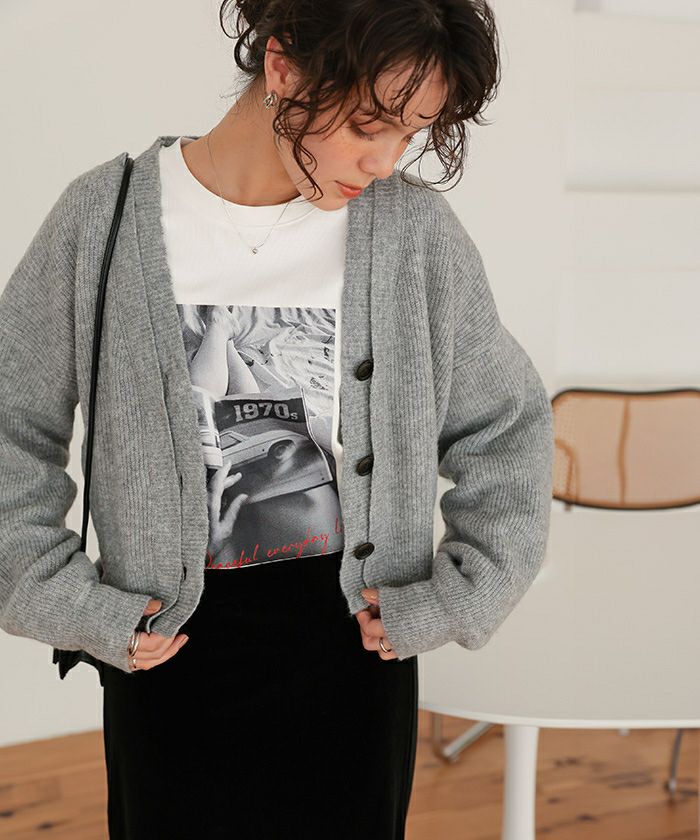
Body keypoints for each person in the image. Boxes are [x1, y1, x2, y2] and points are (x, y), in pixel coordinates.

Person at [0, 1, 555, 838]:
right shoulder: (103, 217)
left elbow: (507, 427)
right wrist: (64, 601)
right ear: (284, 67)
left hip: (354, 660)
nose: (384, 160)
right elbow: (11, 425)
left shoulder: (411, 233)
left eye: (409, 134)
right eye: (368, 123)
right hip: (165, 660)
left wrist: (457, 597)